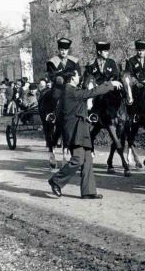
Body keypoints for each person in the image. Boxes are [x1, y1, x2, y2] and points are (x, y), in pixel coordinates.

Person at [47, 68, 122, 200]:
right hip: (75, 131)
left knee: (87, 160)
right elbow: (92, 92)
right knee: (78, 159)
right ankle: (56, 181)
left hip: (81, 129)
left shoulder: (70, 90)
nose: (79, 77)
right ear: (72, 78)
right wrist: (110, 84)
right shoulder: (70, 91)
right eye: (78, 75)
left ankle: (88, 191)